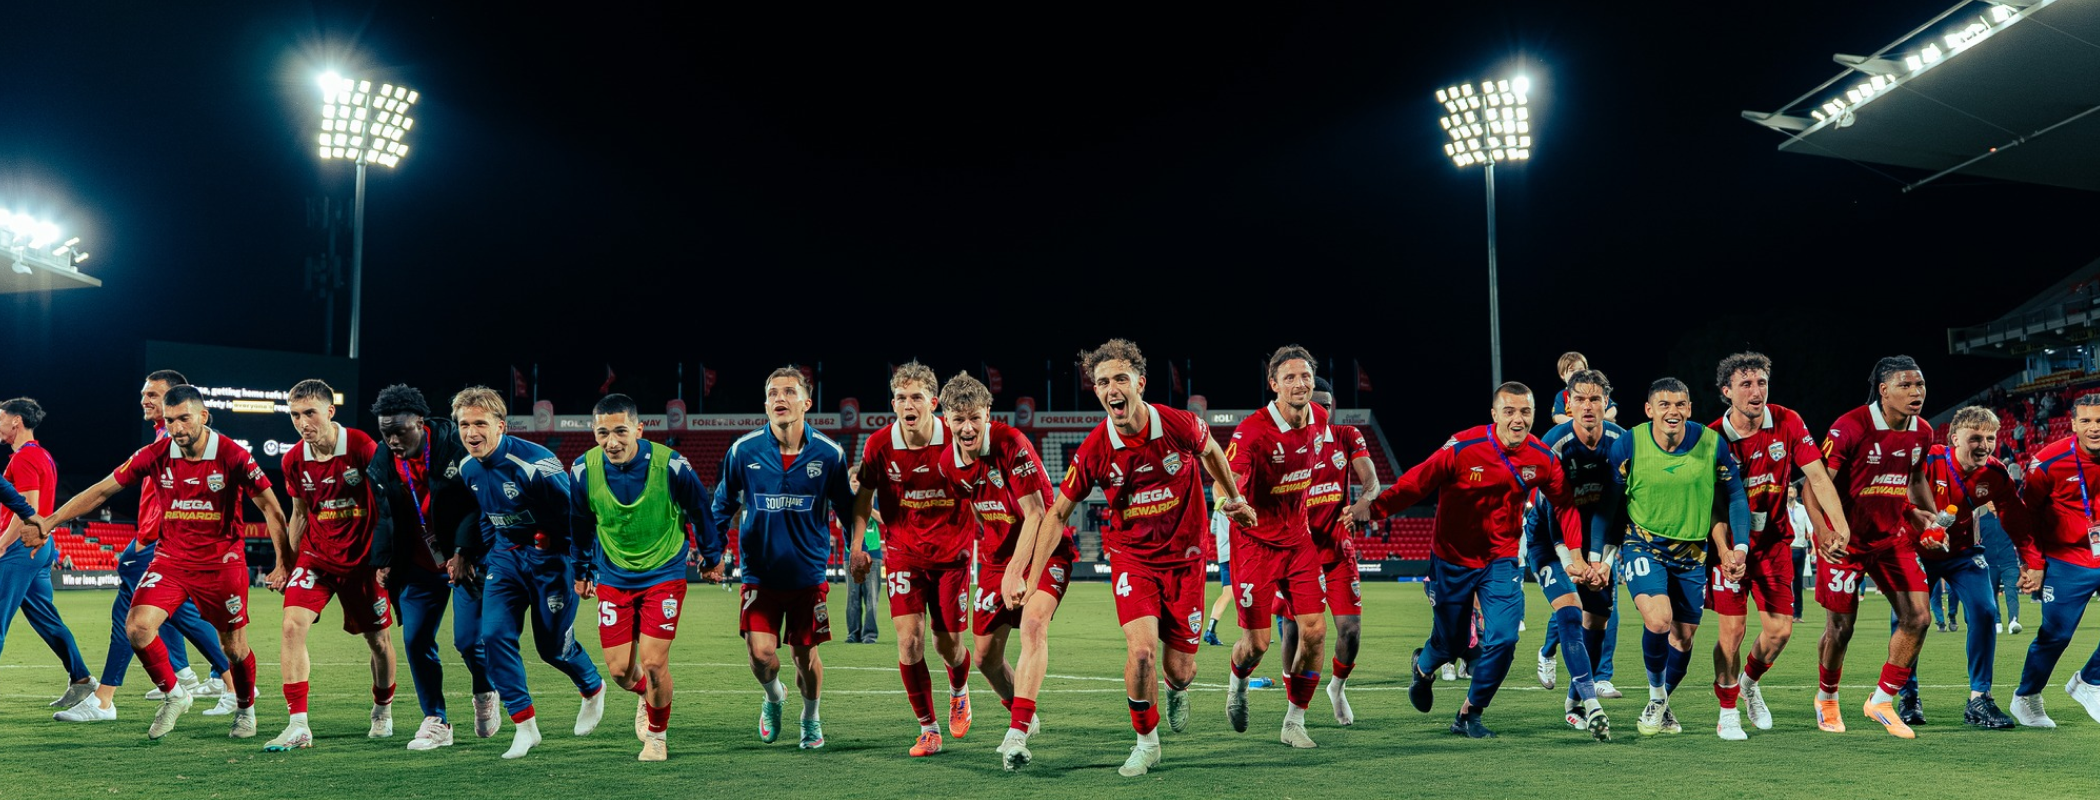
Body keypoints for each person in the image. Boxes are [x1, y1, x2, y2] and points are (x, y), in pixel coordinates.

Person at [1040, 339, 1254, 776]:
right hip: (1132, 559)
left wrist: (1233, 497)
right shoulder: (1095, 450)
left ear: (1140, 381)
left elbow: (1213, 451)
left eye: (1120, 378)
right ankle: (1146, 741)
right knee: (1140, 654)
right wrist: (1030, 570)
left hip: (1186, 559)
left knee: (1181, 668)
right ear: (1096, 391)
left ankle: (1176, 690)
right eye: (1102, 382)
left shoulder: (1178, 424)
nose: (1112, 388)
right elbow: (1058, 512)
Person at [34, 384, 287, 741]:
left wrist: (283, 562)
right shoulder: (156, 452)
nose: (177, 428)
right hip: (171, 559)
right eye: (170, 421)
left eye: (184, 418)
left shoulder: (232, 455)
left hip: (221, 563)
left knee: (234, 647)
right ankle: (174, 695)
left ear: (203, 416)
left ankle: (245, 708)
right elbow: (104, 489)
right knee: (137, 627)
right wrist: (51, 520)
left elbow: (271, 509)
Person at [1348, 381, 1575, 739]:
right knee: (1452, 643)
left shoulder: (1541, 458)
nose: (1518, 419)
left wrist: (1575, 550)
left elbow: (1564, 502)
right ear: (1494, 414)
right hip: (1451, 560)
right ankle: (1423, 669)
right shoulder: (1463, 447)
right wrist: (1373, 509)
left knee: (1502, 639)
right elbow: (1416, 483)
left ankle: (1470, 713)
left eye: (1526, 412)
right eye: (1510, 411)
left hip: (1501, 560)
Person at [55, 371, 231, 724]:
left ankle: (108, 700)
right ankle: (212, 681)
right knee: (173, 617)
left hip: (159, 544)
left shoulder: (180, 442)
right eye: (144, 394)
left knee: (141, 617)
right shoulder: (160, 440)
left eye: (153, 394)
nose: (145, 400)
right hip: (152, 541)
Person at [569, 393, 726, 761]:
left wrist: (712, 557)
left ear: (639, 429)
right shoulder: (581, 470)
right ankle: (645, 694)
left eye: (621, 431)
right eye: (603, 433)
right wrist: (581, 570)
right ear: (593, 432)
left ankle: (657, 735)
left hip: (664, 574)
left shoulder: (671, 465)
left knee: (655, 663)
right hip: (613, 575)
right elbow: (579, 524)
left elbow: (700, 509)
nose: (612, 442)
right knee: (622, 671)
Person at [450, 386, 606, 759]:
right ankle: (524, 726)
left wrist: (586, 568)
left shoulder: (537, 463)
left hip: (552, 561)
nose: (471, 433)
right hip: (506, 559)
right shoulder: (468, 468)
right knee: (492, 636)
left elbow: (579, 518)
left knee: (552, 648)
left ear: (500, 425)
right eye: (463, 424)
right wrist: (482, 556)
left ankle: (592, 687)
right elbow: (488, 517)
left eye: (480, 424)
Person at [1705, 353, 1848, 739]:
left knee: (1779, 632)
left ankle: (1749, 683)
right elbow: (1712, 507)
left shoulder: (1788, 421)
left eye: (1762, 383)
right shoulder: (1712, 437)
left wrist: (1839, 527)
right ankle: (1728, 709)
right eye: (1746, 384)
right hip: (1728, 548)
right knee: (1731, 633)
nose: (1756, 391)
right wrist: (1724, 551)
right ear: (1727, 392)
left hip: (1772, 543)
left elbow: (1817, 477)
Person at [713, 366, 857, 750]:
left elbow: (848, 509)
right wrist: (713, 553)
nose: (781, 398)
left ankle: (810, 718)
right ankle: (774, 697)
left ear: (807, 402)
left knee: (805, 658)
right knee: (761, 656)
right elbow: (721, 505)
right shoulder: (743, 451)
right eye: (773, 392)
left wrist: (857, 548)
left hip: (808, 576)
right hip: (759, 573)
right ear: (765, 404)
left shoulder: (829, 454)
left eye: (790, 391)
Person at [935, 372, 1068, 771]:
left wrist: (1016, 570)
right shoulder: (948, 463)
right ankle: (1022, 709)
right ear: (946, 420)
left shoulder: (1012, 444)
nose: (967, 427)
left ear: (988, 414)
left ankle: (1017, 731)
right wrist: (996, 561)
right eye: (958, 419)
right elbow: (975, 503)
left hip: (1046, 549)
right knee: (985, 658)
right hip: (997, 560)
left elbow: (1036, 513)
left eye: (975, 417)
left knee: (1033, 626)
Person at [847, 361, 978, 757]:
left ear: (933, 402)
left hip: (952, 556)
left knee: (948, 645)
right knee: (909, 643)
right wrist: (856, 546)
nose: (909, 403)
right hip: (903, 553)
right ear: (893, 403)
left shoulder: (956, 439)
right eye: (901, 397)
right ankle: (929, 730)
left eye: (917, 397)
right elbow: (863, 498)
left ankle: (959, 688)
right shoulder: (878, 445)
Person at [1805, 356, 1939, 738]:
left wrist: (1927, 517)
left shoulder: (1923, 431)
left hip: (1890, 538)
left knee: (1918, 617)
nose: (1916, 393)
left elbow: (1914, 478)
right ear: (1884, 390)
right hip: (1845, 542)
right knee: (1841, 628)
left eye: (1920, 385)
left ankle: (1881, 699)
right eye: (1906, 386)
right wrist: (1823, 531)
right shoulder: (1850, 426)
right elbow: (1814, 485)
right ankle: (1827, 699)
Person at [264, 379, 400, 752]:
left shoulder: (361, 446)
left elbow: (387, 504)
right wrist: (286, 563)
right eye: (294, 414)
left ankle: (382, 710)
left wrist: (386, 557)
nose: (302, 421)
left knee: (378, 641)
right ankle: (298, 725)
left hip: (363, 561)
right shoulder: (293, 459)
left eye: (309, 412)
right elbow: (300, 514)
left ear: (329, 411)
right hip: (317, 557)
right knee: (292, 625)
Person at [366, 384, 498, 750]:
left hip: (464, 558)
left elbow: (477, 504)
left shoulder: (454, 445)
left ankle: (485, 690)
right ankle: (436, 719)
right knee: (416, 640)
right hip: (419, 564)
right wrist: (383, 559)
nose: (392, 439)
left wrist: (463, 549)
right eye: (385, 431)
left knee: (470, 642)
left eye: (399, 430)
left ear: (420, 423)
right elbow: (385, 514)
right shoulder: (381, 460)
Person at [1217, 346, 1333, 750]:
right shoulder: (1251, 431)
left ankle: (1294, 721)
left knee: (1316, 632)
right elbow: (1223, 480)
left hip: (1298, 542)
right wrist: (1232, 504)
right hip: (1254, 544)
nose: (1300, 384)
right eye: (1290, 377)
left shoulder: (1320, 417)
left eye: (1305, 376)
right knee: (1257, 645)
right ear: (1273, 384)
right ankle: (1237, 684)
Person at [1898, 405, 2034, 729]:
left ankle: (1979, 699)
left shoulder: (1996, 473)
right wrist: (1913, 519)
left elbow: (2014, 516)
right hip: (1915, 550)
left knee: (1986, 611)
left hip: (1962, 553)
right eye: (1976, 437)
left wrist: (2030, 560)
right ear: (1954, 438)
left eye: (1990, 438)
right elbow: (1891, 496)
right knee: (1909, 620)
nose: (1985, 445)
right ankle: (1907, 696)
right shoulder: (1926, 460)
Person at [1525, 369, 1623, 740]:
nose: (1587, 406)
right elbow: (1553, 509)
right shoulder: (1554, 441)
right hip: (1549, 542)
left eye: (1594, 399)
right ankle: (1591, 703)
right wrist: (1572, 562)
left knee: (1597, 620)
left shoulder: (1620, 442)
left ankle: (1574, 703)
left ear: (1606, 404)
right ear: (1568, 403)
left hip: (1596, 542)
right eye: (1579, 399)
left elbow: (1616, 508)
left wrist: (1603, 562)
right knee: (1569, 612)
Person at [1278, 377, 1379, 726]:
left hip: (1337, 550)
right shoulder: (1284, 442)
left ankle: (1337, 687)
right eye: (1314, 402)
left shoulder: (1347, 437)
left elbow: (1372, 480)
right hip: (1295, 553)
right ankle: (1293, 707)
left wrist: (1365, 499)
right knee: (1292, 631)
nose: (1319, 408)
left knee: (1350, 631)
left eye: (1325, 403)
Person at [2010, 393, 2100, 728]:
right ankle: (2026, 697)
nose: (2094, 428)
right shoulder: (2048, 462)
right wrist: (2033, 562)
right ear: (2074, 424)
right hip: (2066, 559)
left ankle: (2090, 681)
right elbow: (2025, 516)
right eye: (2087, 421)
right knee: (2057, 635)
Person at [0, 397, 94, 708]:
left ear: (16, 421)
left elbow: (30, 508)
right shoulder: (42, 455)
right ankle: (81, 679)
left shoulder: (24, 458)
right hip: (40, 548)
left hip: (20, 548)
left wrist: (2, 542)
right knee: (47, 619)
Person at [843, 485, 883, 644]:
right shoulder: (845, 501)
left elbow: (883, 519)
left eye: (859, 482)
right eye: (852, 481)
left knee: (871, 597)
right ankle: (853, 634)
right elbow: (840, 525)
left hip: (873, 553)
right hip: (851, 554)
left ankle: (870, 635)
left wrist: (866, 504)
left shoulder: (877, 500)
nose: (856, 485)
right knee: (852, 597)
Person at [1980, 505, 2025, 634]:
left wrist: (2023, 563)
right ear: (1987, 504)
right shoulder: (1981, 519)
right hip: (1989, 563)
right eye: (1990, 501)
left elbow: (2020, 540)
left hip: (2009, 561)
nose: (1992, 503)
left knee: (2012, 592)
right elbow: (1976, 541)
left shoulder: (2009, 518)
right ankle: (1996, 621)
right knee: (1991, 593)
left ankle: (2013, 621)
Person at [1551, 352, 1618, 426]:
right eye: (1572, 370)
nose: (1577, 373)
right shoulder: (1562, 395)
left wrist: (1604, 418)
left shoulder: (1595, 390)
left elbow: (1612, 408)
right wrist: (1578, 421)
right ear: (1562, 375)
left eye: (1580, 370)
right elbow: (1557, 416)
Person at [1203, 508, 1231, 646]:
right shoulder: (1242, 500)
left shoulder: (1220, 505)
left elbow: (1213, 529)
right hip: (1239, 553)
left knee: (1227, 593)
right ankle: (1255, 633)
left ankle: (1210, 629)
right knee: (1251, 590)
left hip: (1223, 554)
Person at [1789, 484, 1812, 622]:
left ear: (1796, 494)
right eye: (1787, 492)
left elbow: (1810, 528)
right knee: (1786, 582)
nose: (1789, 494)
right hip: (1786, 549)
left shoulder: (1803, 509)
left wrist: (1814, 546)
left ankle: (1798, 614)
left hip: (1799, 549)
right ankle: (1786, 612)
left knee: (1797, 583)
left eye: (1791, 492)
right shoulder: (1781, 509)